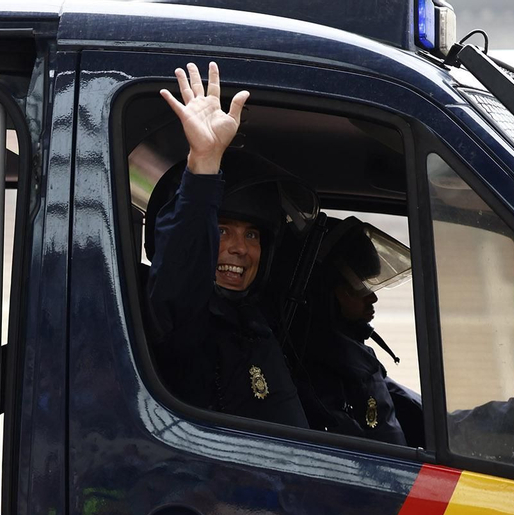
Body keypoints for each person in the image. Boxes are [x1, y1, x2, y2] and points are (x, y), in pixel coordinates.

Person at [145, 61, 313, 428]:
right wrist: (204, 164)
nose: (240, 248)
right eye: (223, 231)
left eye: (251, 235)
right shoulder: (184, 322)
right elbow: (184, 265)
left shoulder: (257, 323)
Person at [291, 216, 419, 446]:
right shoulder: (319, 371)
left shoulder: (356, 357)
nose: (372, 296)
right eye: (358, 285)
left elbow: (412, 408)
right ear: (326, 291)